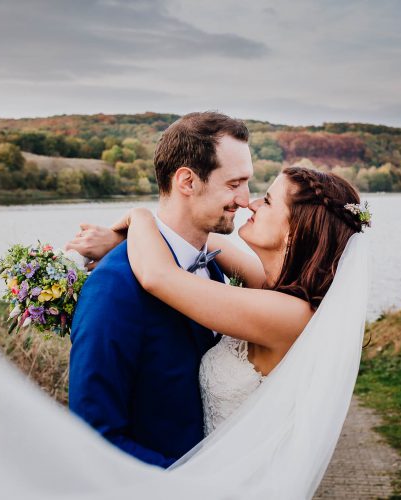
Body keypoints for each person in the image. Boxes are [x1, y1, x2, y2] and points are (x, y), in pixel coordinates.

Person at [69, 165, 370, 442]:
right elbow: (196, 241)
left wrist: (139, 217)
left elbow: (158, 275)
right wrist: (125, 239)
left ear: (296, 231)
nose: (250, 203)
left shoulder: (291, 314)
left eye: (266, 201)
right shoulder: (276, 288)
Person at [66, 111, 254, 468]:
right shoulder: (114, 287)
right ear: (187, 181)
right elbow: (92, 438)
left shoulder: (214, 265)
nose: (245, 199)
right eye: (233, 184)